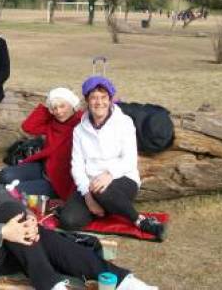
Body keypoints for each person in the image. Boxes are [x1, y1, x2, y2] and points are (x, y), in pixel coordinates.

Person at [0, 119, 158, 290]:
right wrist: (3, 231)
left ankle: (122, 280)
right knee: (15, 223)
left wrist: (25, 217)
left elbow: (3, 196)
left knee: (35, 232)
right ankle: (49, 283)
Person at [59, 76, 165, 241]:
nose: (99, 102)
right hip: (91, 184)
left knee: (103, 190)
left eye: (103, 97)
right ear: (87, 100)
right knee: (68, 221)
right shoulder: (79, 130)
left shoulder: (124, 123)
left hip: (122, 178)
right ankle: (106, 208)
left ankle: (140, 220)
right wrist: (87, 196)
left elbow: (129, 159)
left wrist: (108, 175)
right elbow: (77, 166)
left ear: (110, 99)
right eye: (94, 97)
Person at [0, 87, 82, 200]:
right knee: (4, 175)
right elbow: (28, 126)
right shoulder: (53, 122)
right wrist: (47, 108)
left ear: (72, 105)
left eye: (62, 106)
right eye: (54, 108)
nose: (59, 112)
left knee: (11, 192)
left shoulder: (80, 123)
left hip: (57, 182)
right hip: (43, 169)